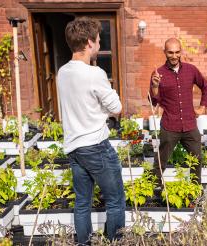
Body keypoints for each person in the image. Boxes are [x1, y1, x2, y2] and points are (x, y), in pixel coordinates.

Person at [57, 17, 125, 244]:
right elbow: (117, 108)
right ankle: (114, 242)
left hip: (74, 148)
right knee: (115, 200)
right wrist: (105, 92)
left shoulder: (62, 72)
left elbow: (81, 105)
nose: (99, 45)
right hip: (96, 146)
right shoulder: (95, 74)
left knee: (82, 202)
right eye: (97, 41)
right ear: (88, 42)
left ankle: (83, 243)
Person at [149, 38, 207, 184]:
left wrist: (202, 106)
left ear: (181, 52)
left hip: (190, 125)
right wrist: (155, 86)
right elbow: (153, 102)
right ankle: (152, 189)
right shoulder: (158, 73)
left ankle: (195, 191)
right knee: (160, 161)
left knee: (196, 159)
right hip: (170, 126)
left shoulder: (191, 70)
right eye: (170, 52)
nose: (174, 56)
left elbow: (206, 87)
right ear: (165, 52)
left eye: (177, 52)